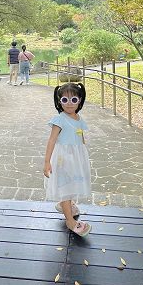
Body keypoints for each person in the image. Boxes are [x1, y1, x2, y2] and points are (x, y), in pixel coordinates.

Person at [43, 82, 92, 236]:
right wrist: (47, 162)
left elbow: (81, 136)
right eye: (65, 100)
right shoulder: (59, 119)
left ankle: (66, 204)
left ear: (80, 101)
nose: (69, 104)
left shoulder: (79, 118)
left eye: (74, 100)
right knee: (66, 187)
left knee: (72, 183)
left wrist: (82, 156)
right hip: (63, 159)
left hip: (76, 158)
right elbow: (51, 140)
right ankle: (70, 221)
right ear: (59, 102)